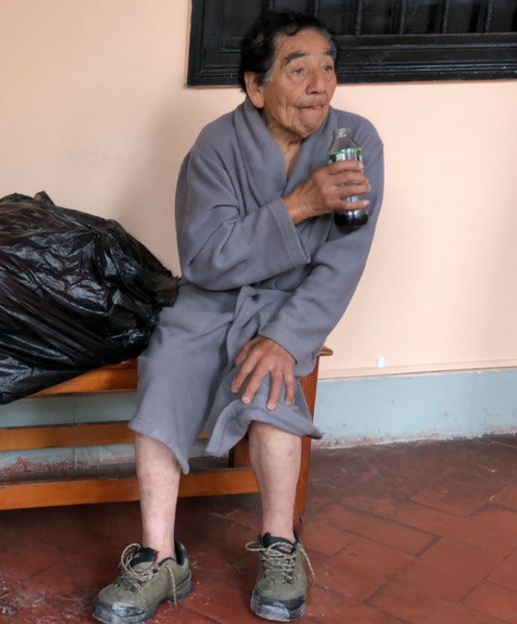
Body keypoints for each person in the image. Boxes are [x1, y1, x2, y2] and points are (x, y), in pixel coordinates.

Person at [93, 11, 383, 624]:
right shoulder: (217, 145)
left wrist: (284, 337)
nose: (319, 85)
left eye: (328, 69)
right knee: (164, 378)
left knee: (271, 388)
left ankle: (281, 546)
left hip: (293, 310)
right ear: (256, 88)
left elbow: (344, 263)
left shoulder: (356, 142)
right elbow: (206, 258)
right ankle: (157, 556)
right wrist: (300, 204)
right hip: (209, 300)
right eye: (298, 69)